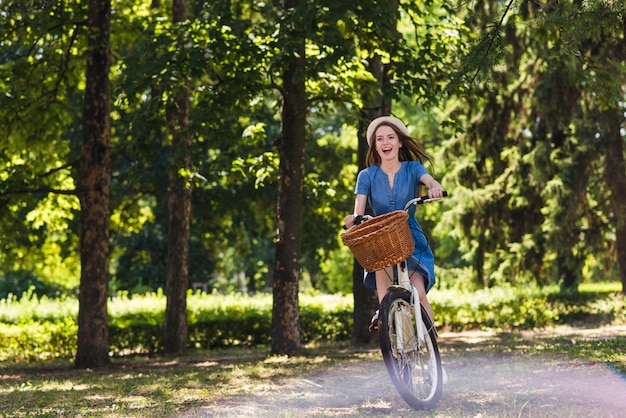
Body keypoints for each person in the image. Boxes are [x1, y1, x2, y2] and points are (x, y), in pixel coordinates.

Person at [344, 115, 444, 330]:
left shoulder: (413, 168)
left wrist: (433, 187)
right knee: (386, 302)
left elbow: (429, 180)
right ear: (375, 145)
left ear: (400, 142)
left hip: (411, 238)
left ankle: (433, 351)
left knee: (418, 294)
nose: (385, 142)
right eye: (379, 139)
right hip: (381, 240)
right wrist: (353, 220)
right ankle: (395, 353)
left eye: (390, 137)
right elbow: (358, 211)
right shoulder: (366, 175)